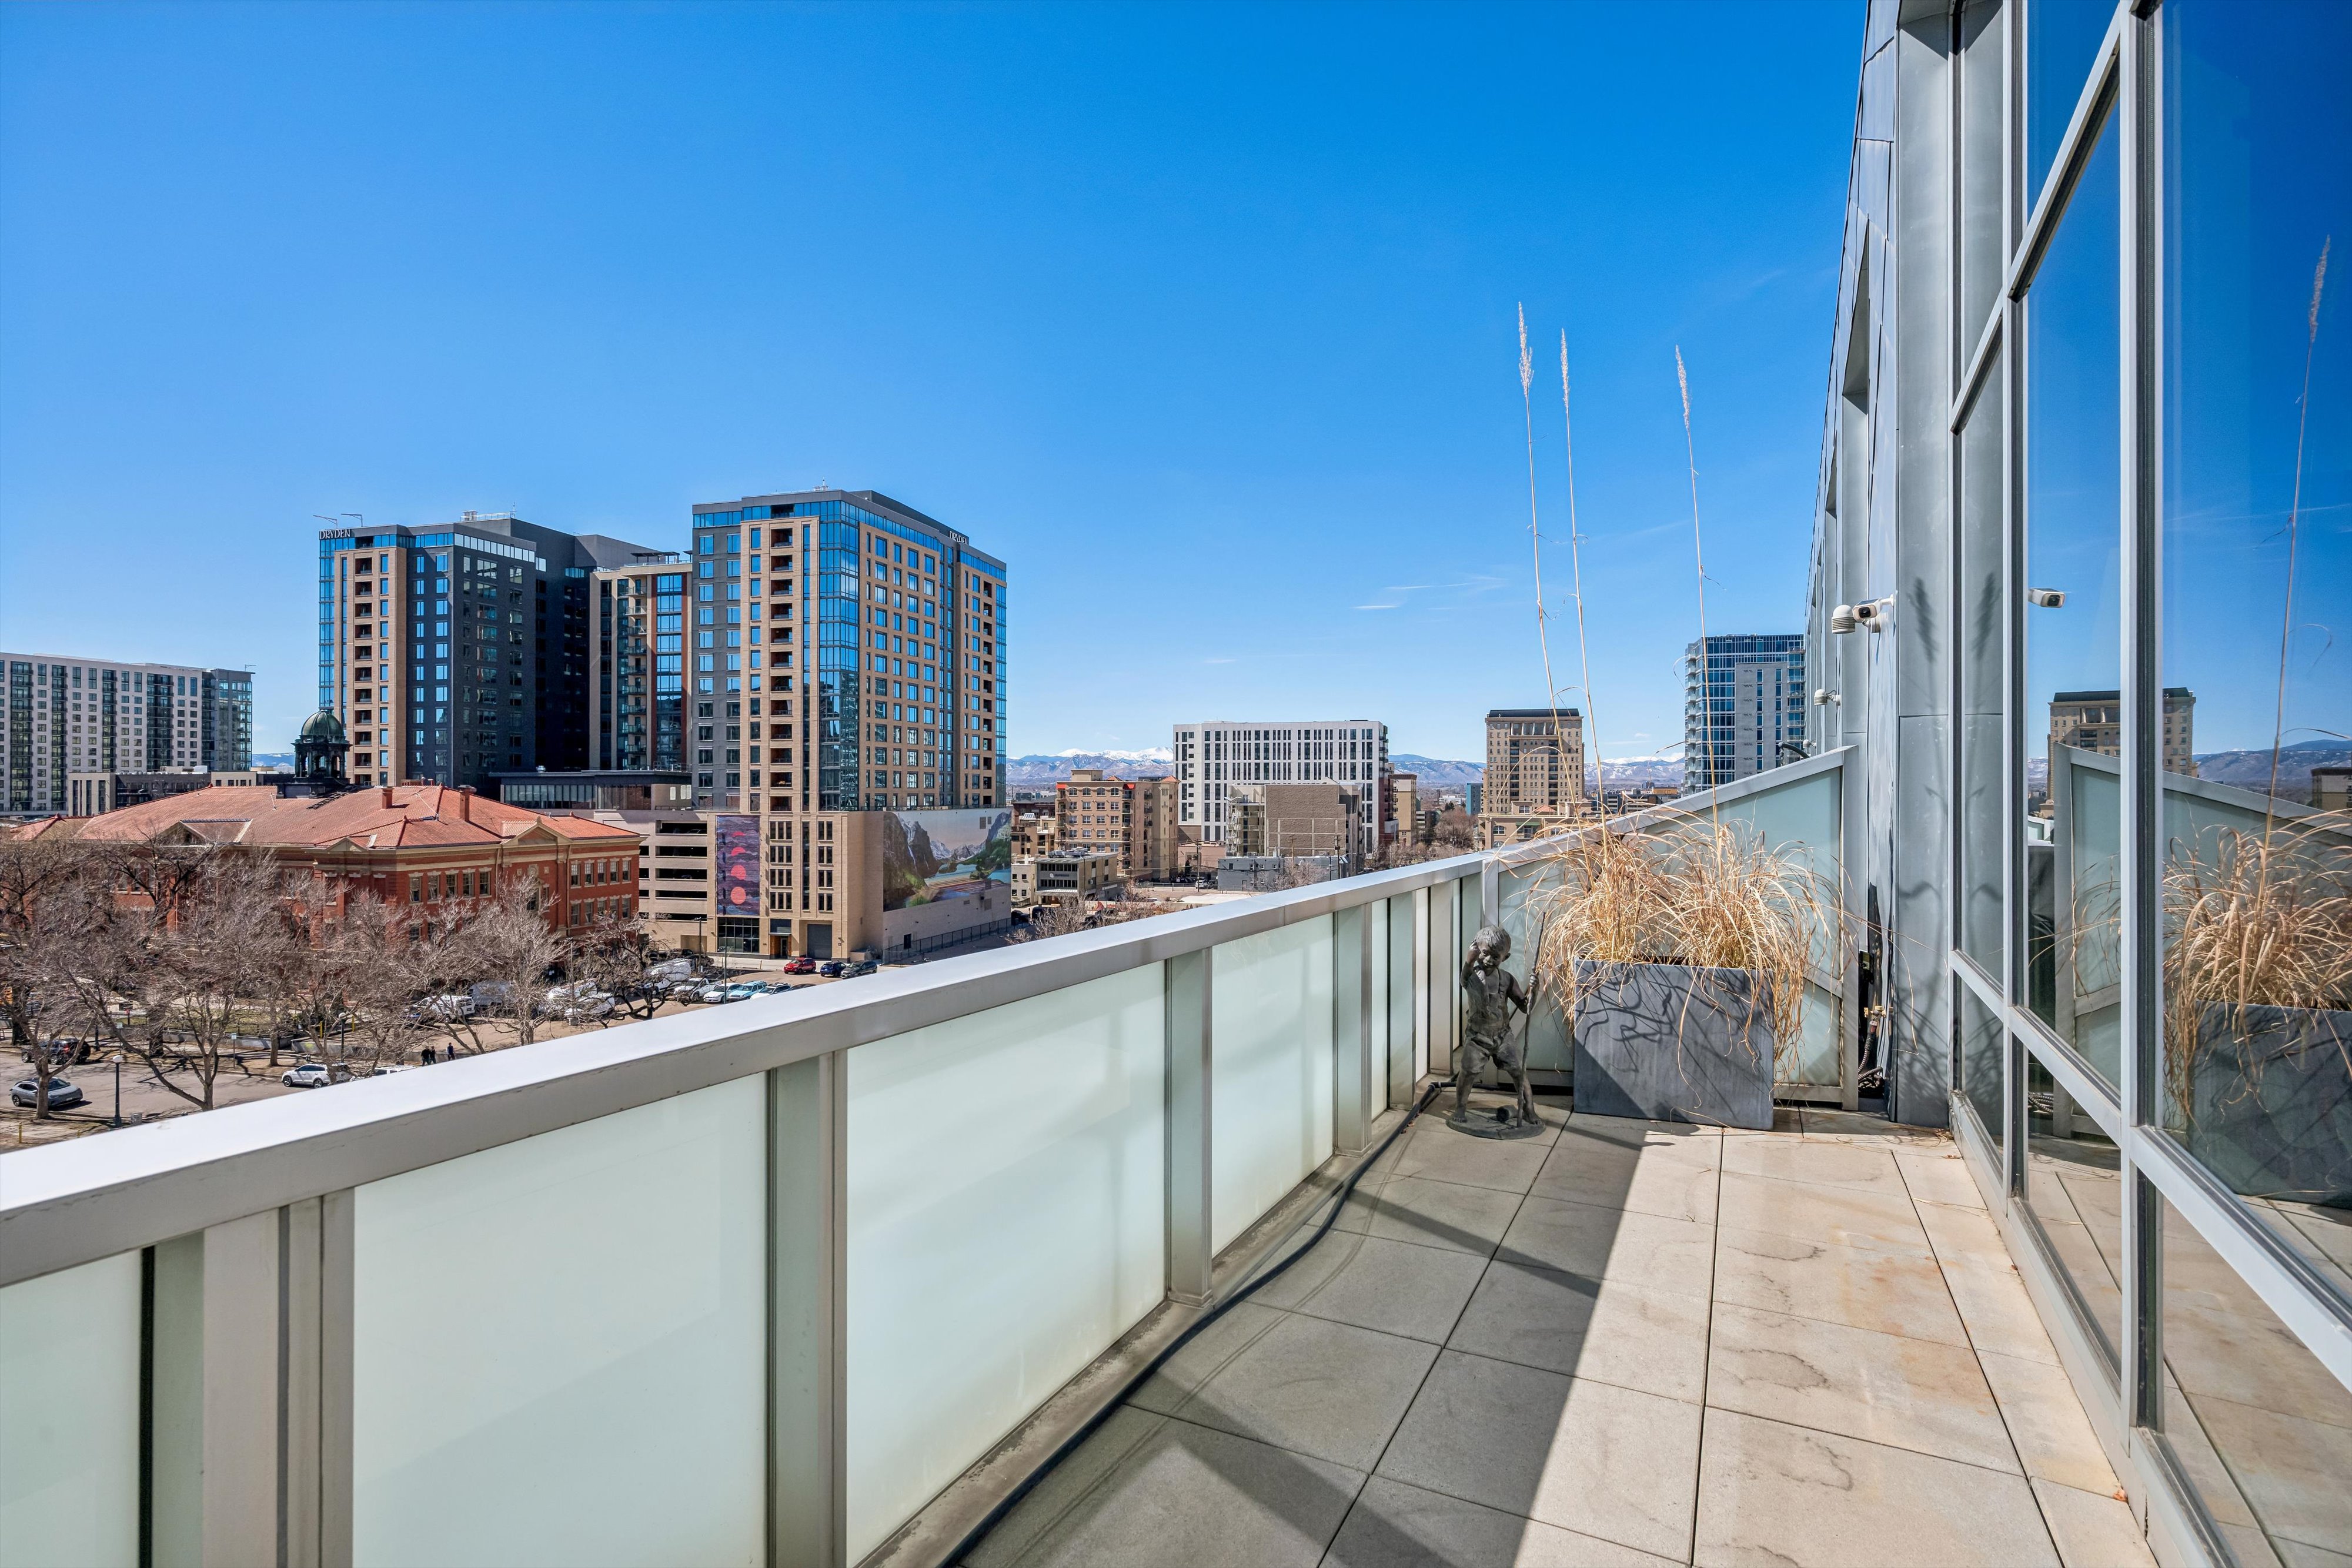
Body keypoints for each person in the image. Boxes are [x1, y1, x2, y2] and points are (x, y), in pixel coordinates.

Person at [1456, 924, 1537, 1129]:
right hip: (1478, 1037)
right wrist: (1469, 960)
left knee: (1519, 1072)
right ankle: (1460, 1108)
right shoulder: (1472, 975)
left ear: (1505, 958)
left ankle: (1529, 1110)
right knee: (1468, 1073)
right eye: (1484, 953)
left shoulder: (1507, 980)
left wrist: (1532, 993)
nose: (1489, 960)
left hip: (1502, 1036)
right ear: (1476, 950)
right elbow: (1463, 980)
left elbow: (1524, 1005)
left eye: (1495, 957)